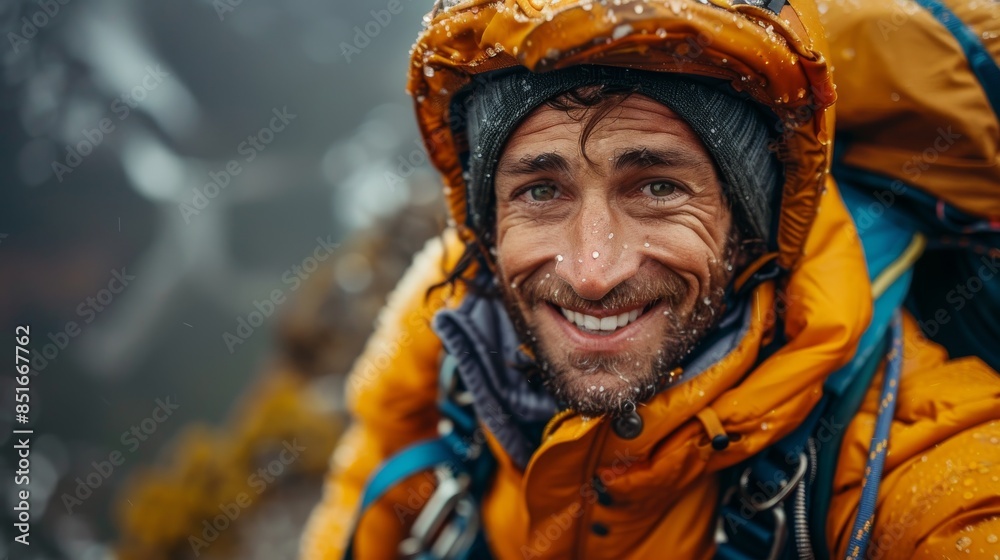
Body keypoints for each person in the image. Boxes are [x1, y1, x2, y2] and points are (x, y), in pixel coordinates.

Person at [302, 0, 1000, 558]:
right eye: (541, 192)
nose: (593, 271)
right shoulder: (446, 337)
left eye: (659, 187)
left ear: (751, 222)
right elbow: (360, 496)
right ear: (485, 226)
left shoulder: (902, 449)